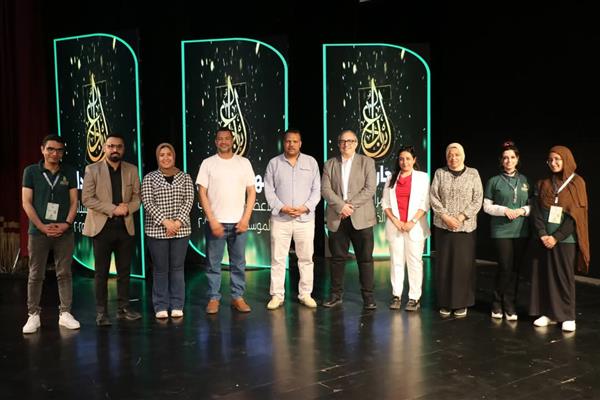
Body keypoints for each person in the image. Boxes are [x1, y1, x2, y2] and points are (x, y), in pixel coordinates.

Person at [21, 134, 80, 333]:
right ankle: (33, 315)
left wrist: (66, 224)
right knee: (36, 274)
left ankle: (65, 313)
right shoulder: (31, 171)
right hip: (38, 232)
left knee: (64, 273)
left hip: (64, 231)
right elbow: (26, 202)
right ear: (42, 149)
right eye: (51, 149)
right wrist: (41, 226)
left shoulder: (70, 172)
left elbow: (75, 202)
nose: (55, 153)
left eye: (59, 150)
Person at [82, 133, 142, 326]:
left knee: (124, 271)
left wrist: (127, 208)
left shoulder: (132, 170)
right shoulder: (92, 169)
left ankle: (124, 309)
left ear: (123, 149)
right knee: (101, 273)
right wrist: (113, 209)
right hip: (102, 229)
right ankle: (101, 312)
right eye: (111, 146)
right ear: (105, 148)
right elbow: (87, 199)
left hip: (125, 228)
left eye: (119, 146)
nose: (115, 149)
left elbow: (137, 198)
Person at [529, 146, 589, 332]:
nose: (553, 163)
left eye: (557, 159)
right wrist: (542, 233)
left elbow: (576, 217)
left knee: (563, 277)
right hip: (543, 238)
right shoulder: (544, 183)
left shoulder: (577, 183)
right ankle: (548, 313)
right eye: (550, 160)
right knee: (544, 276)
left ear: (566, 160)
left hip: (565, 239)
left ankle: (567, 316)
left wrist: (556, 237)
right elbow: (536, 211)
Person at [197, 127, 256, 314]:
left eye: (227, 138)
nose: (223, 141)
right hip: (216, 223)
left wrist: (246, 218)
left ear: (233, 140)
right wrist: (212, 220)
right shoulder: (208, 163)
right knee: (213, 264)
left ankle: (237, 297)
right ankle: (214, 298)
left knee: (238, 264)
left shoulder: (243, 163)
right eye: (220, 139)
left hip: (239, 223)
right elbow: (202, 192)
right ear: (216, 142)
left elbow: (252, 191)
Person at [264, 129, 321, 310]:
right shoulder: (274, 163)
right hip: (281, 218)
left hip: (305, 219)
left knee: (306, 258)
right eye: (288, 141)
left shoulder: (311, 162)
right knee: (278, 259)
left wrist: (305, 207)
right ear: (284, 143)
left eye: (295, 141)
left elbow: (317, 190)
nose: (291, 145)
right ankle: (277, 295)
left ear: (300, 143)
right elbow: (268, 190)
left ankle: (305, 294)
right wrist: (282, 207)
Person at [321, 129, 377, 310]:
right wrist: (341, 207)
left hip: (361, 218)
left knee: (365, 259)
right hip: (337, 218)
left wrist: (350, 206)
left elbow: (370, 188)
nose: (346, 144)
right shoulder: (329, 164)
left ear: (356, 143)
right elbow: (325, 190)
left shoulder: (367, 162)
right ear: (338, 144)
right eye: (343, 141)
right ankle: (336, 295)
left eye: (350, 141)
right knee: (337, 260)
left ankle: (368, 298)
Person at [141, 143, 195, 319]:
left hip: (181, 230)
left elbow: (189, 201)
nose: (165, 158)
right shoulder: (149, 178)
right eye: (162, 155)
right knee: (160, 269)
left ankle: (177, 304)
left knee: (178, 268)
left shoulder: (185, 177)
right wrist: (166, 223)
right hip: (157, 231)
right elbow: (148, 202)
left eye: (169, 154)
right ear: (157, 158)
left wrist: (177, 223)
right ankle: (161, 305)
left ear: (174, 156)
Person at [430, 143, 483, 317]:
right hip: (443, 227)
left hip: (465, 228)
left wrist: (460, 217)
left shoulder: (473, 173)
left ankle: (461, 303)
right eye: (450, 155)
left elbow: (478, 199)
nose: (453, 158)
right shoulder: (440, 173)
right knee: (444, 266)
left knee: (463, 267)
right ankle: (445, 302)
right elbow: (433, 197)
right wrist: (445, 217)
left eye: (457, 154)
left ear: (463, 156)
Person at [483, 141, 531, 321]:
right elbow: (486, 206)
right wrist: (504, 210)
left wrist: (522, 211)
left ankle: (510, 304)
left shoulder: (525, 180)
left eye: (512, 157)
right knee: (505, 267)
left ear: (517, 159)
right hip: (501, 231)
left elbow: (533, 204)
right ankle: (497, 302)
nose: (509, 161)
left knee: (516, 269)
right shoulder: (494, 181)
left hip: (521, 231)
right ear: (501, 161)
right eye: (505, 158)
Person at [382, 145, 430, 311]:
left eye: (408, 159)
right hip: (396, 226)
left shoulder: (422, 177)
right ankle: (396, 295)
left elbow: (425, 203)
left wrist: (412, 221)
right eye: (401, 159)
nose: (404, 162)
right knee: (396, 262)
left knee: (414, 262)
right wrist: (396, 221)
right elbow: (385, 203)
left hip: (414, 227)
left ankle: (414, 298)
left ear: (414, 160)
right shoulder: (391, 178)